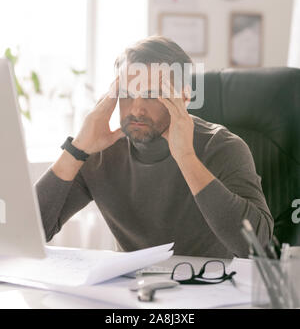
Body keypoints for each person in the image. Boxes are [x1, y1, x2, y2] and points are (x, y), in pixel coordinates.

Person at [36, 36, 273, 258]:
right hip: (130, 294)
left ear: (183, 99)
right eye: (127, 94)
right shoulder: (100, 153)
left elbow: (256, 247)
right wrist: (78, 148)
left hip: (207, 293)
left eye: (151, 95)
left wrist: (186, 157)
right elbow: (31, 231)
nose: (136, 109)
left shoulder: (222, 147)